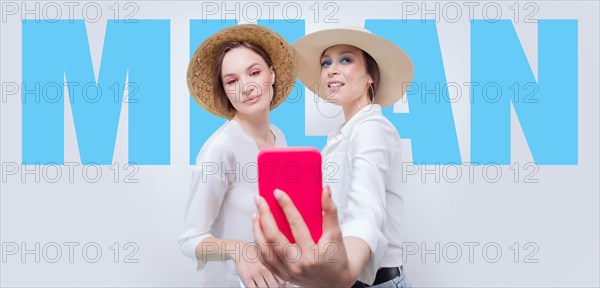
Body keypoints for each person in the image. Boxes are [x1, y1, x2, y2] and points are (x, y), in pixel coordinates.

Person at [252, 26, 414, 287]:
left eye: (345, 60)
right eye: (326, 62)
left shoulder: (373, 128)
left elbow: (365, 208)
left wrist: (344, 271)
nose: (331, 69)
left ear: (370, 76)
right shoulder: (338, 139)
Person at [179, 24, 297, 287]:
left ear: (272, 75)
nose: (246, 87)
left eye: (254, 72)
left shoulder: (278, 137)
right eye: (232, 81)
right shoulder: (220, 149)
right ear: (225, 91)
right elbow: (189, 240)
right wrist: (238, 249)